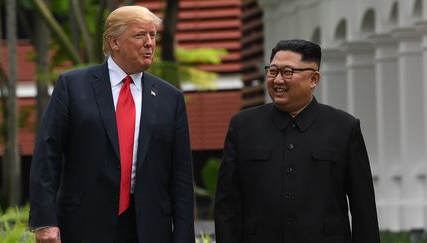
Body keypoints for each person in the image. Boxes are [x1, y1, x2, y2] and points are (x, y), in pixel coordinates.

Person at [29, 5, 195, 243]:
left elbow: (181, 178)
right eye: (140, 35)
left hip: (148, 229)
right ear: (114, 42)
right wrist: (45, 222)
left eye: (153, 35)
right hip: (83, 226)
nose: (149, 43)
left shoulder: (171, 98)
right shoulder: (72, 86)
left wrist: (183, 237)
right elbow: (47, 156)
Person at [214, 39, 380, 243]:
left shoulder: (344, 128)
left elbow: (363, 209)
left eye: (287, 72)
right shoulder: (243, 126)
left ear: (313, 79)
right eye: (273, 71)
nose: (278, 80)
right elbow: (226, 204)